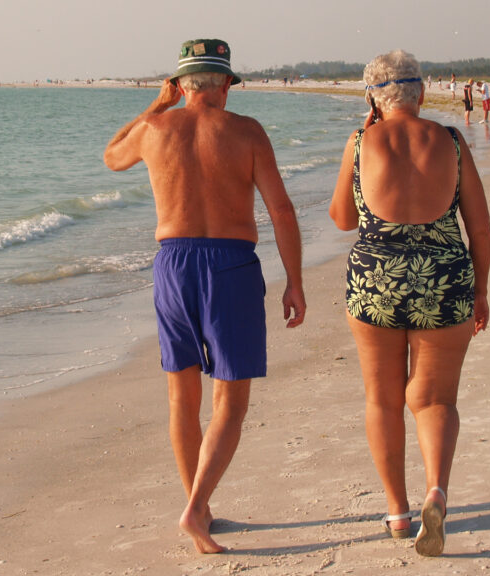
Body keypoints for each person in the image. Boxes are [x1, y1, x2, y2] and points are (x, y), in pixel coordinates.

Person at [103, 38, 306, 554]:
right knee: (230, 401)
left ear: (181, 84)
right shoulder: (246, 132)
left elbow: (111, 158)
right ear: (225, 84)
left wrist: (156, 104)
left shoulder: (153, 129)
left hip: (173, 264)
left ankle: (200, 505)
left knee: (182, 397)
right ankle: (196, 509)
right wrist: (294, 280)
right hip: (231, 265)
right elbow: (281, 211)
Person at [328, 49, 490, 558]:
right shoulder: (451, 140)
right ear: (420, 93)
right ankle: (436, 493)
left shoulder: (360, 142)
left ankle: (398, 512)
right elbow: (480, 230)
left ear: (374, 99)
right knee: (434, 400)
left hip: (376, 281)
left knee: (382, 399)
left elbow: (342, 219)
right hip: (443, 280)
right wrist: (480, 290)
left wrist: (366, 136)